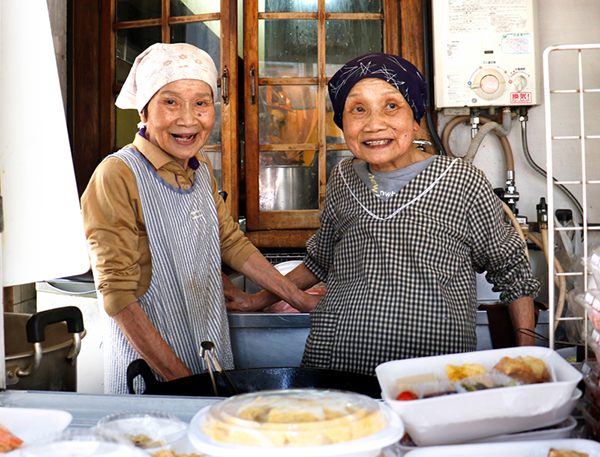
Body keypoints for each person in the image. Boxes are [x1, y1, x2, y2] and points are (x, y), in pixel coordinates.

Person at [249, 53, 540, 376]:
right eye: (358, 109)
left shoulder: (462, 181)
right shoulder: (343, 178)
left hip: (430, 376)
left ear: (415, 119)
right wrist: (256, 301)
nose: (374, 124)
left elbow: (513, 272)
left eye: (391, 106)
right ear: (342, 124)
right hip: (336, 364)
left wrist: (527, 359)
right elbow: (320, 262)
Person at [81, 43, 318, 394]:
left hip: (207, 352)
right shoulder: (117, 174)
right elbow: (118, 296)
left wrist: (300, 300)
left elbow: (230, 241)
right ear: (144, 111)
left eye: (201, 103)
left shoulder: (200, 167)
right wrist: (185, 386)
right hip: (153, 374)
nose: (188, 119)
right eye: (171, 102)